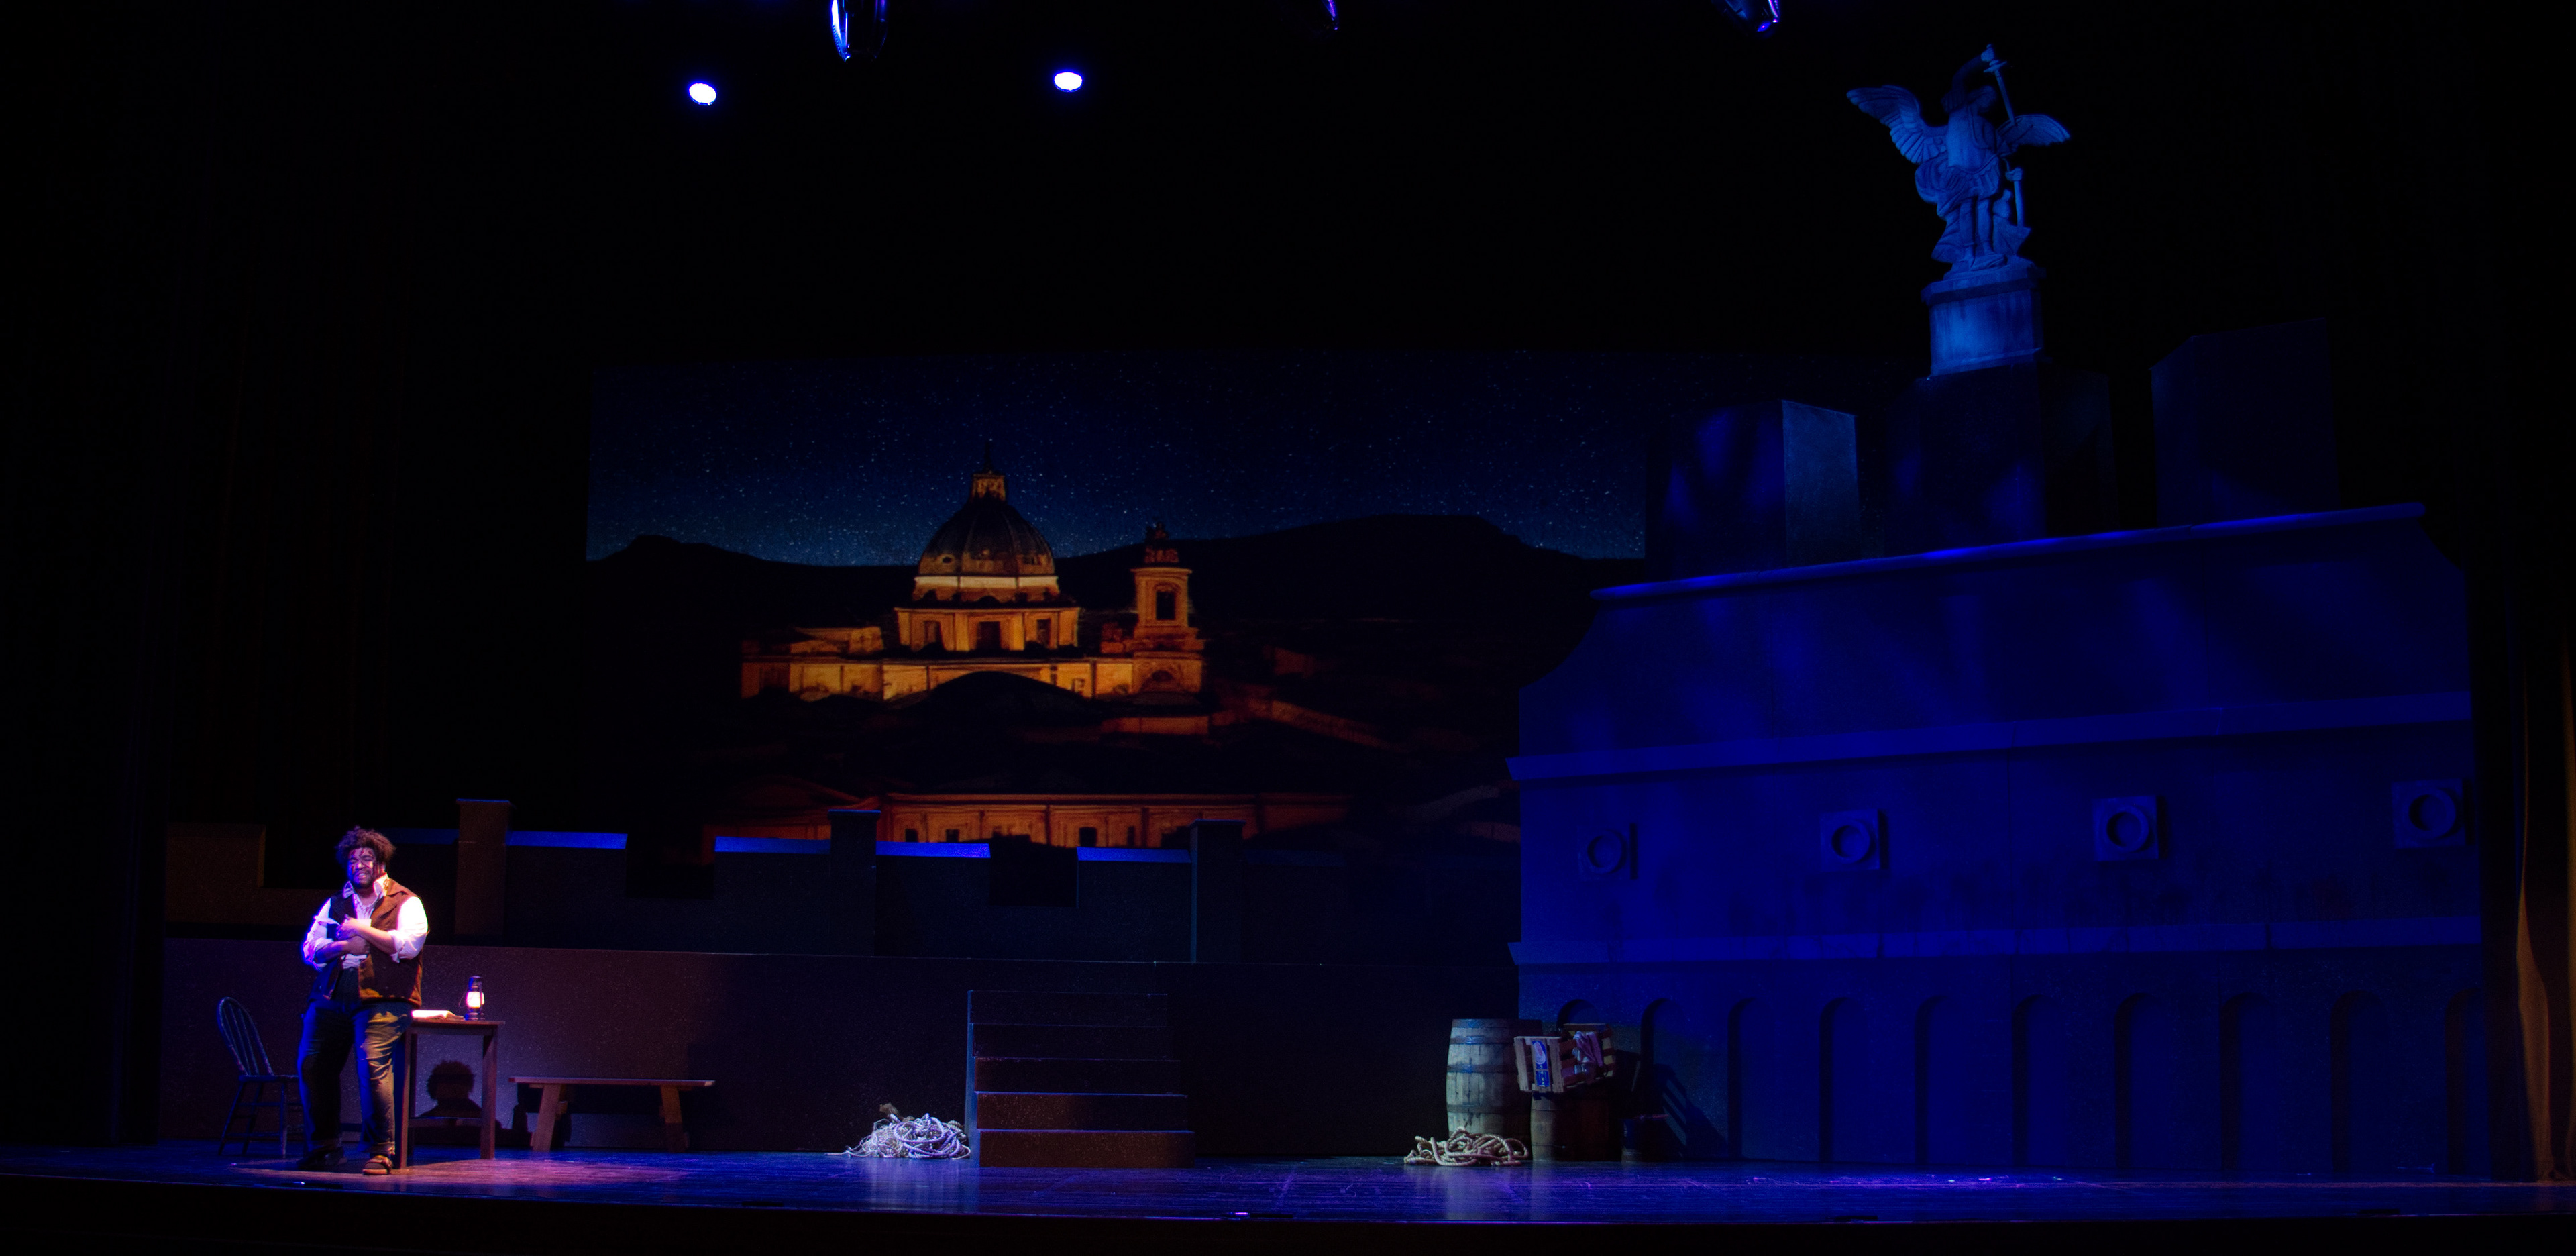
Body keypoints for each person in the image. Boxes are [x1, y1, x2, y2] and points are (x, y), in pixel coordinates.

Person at [294, 827, 429, 1173]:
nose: (359, 865)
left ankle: (381, 1150)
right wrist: (344, 945)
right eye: (353, 860)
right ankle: (324, 1146)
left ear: (381, 862)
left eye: (367, 858)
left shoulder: (406, 901)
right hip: (333, 994)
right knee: (313, 1065)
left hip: (383, 997)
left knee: (372, 1065)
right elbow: (310, 949)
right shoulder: (335, 903)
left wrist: (361, 929)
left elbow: (408, 945)